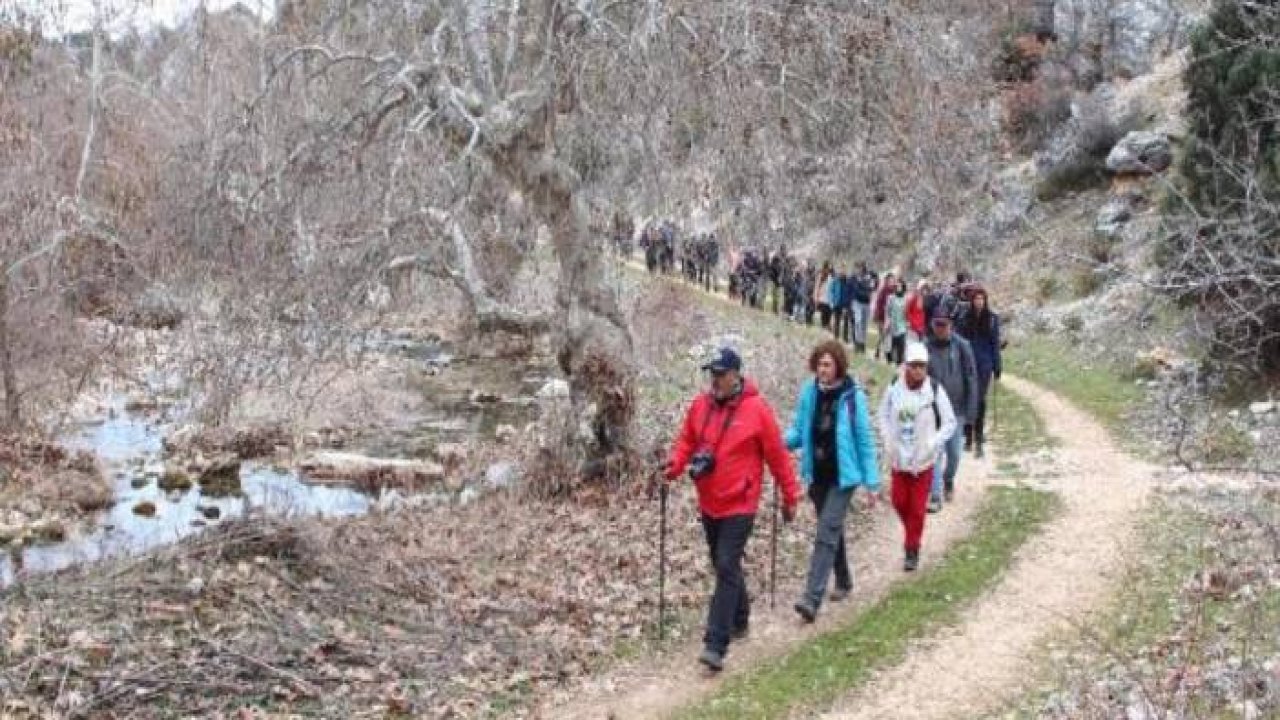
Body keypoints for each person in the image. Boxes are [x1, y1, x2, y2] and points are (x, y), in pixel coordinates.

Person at [665, 347, 801, 672]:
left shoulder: (758, 411)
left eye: (721, 374)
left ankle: (715, 644)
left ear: (737, 375)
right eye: (712, 374)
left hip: (741, 502)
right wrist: (673, 466)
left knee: (726, 563)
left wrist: (790, 495)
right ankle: (740, 617)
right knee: (722, 563)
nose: (715, 381)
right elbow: (686, 440)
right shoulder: (701, 406)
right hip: (710, 500)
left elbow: (778, 457)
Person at [785, 341, 879, 622]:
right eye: (819, 364)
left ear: (838, 365)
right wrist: (775, 445)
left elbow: (864, 441)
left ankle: (811, 598)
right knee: (832, 530)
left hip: (843, 477)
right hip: (818, 475)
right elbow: (800, 431)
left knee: (826, 532)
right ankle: (845, 580)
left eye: (828, 364)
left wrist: (872, 483)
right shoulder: (809, 392)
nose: (822, 370)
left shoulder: (852, 397)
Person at [878, 342, 958, 571]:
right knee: (898, 501)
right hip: (898, 458)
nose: (918, 371)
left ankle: (912, 549)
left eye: (922, 366)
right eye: (914, 366)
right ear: (905, 366)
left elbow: (949, 421)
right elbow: (883, 414)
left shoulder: (934, 390)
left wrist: (934, 443)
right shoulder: (894, 387)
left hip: (923, 461)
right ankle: (912, 531)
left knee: (917, 507)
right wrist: (887, 439)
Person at [926, 311, 978, 512]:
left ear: (951, 325)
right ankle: (935, 495)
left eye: (944, 325)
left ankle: (948, 479)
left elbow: (971, 379)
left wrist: (971, 412)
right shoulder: (925, 347)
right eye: (937, 325)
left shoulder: (963, 346)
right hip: (933, 411)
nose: (941, 329)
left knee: (954, 454)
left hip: (957, 409)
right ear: (932, 325)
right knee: (935, 453)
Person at [957, 288, 1002, 458]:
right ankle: (968, 434)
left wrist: (997, 365)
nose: (979, 302)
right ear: (972, 301)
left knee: (980, 400)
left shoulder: (991, 319)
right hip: (968, 363)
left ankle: (979, 434)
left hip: (985, 364)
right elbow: (959, 342)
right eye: (976, 299)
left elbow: (995, 344)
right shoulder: (964, 319)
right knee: (969, 397)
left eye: (982, 299)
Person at [849, 263, 878, 354]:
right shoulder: (855, 277)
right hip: (857, 302)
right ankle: (858, 343)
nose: (860, 270)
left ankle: (862, 344)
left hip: (866, 303)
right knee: (858, 321)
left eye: (861, 268)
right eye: (858, 268)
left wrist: (875, 278)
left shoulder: (869, 277)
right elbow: (855, 289)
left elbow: (874, 286)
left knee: (864, 324)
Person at [873, 271, 897, 361]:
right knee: (883, 335)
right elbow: (879, 304)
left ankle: (887, 354)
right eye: (890, 280)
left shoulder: (895, 290)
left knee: (889, 337)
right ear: (887, 281)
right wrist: (878, 316)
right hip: (882, 317)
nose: (892, 282)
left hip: (891, 317)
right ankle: (878, 351)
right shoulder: (883, 290)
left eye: (893, 280)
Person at [885, 278, 909, 365]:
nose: (898, 287)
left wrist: (907, 323)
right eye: (897, 286)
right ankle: (890, 361)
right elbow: (887, 311)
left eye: (900, 286)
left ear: (903, 287)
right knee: (890, 346)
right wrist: (887, 322)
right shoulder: (891, 298)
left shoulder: (906, 299)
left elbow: (907, 313)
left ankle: (899, 363)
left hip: (902, 326)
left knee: (901, 346)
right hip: (892, 325)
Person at [828, 268, 847, 341]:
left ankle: (845, 338)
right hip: (836, 303)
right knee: (837, 320)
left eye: (843, 271)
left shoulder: (847, 281)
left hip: (844, 304)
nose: (842, 273)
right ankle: (836, 336)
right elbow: (831, 291)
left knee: (845, 321)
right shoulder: (835, 280)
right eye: (841, 271)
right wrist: (831, 301)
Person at [815, 265, 833, 330]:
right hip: (822, 300)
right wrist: (816, 299)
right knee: (823, 317)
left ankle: (827, 329)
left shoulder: (832, 278)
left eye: (829, 269)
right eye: (826, 269)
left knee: (829, 317)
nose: (827, 270)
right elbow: (817, 288)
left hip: (829, 301)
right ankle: (824, 329)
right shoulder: (821, 277)